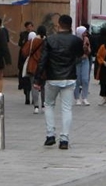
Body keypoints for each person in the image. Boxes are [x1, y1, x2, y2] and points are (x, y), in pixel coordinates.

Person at [36, 14, 85, 149]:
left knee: (49, 104)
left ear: (59, 24)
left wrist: (37, 79)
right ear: (70, 25)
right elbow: (80, 56)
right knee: (66, 108)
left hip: (52, 78)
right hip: (69, 77)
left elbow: (43, 61)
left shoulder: (50, 40)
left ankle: (50, 134)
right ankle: (64, 139)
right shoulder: (76, 40)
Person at [23, 25, 46, 113]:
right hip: (43, 67)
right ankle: (43, 105)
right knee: (43, 86)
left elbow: (24, 52)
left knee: (34, 86)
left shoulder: (32, 41)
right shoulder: (46, 41)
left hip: (33, 66)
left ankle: (36, 106)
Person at [73, 25, 93, 105]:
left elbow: (89, 50)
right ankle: (77, 98)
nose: (85, 34)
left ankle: (84, 97)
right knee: (77, 80)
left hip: (85, 60)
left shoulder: (86, 39)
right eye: (84, 32)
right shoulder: (75, 40)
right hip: (77, 61)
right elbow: (73, 51)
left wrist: (87, 48)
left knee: (85, 79)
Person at [17, 20, 36, 105]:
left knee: (32, 80)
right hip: (24, 60)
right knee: (26, 80)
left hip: (33, 62)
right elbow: (20, 45)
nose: (29, 28)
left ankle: (33, 97)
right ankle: (27, 96)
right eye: (27, 26)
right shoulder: (23, 35)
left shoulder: (36, 35)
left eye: (30, 26)